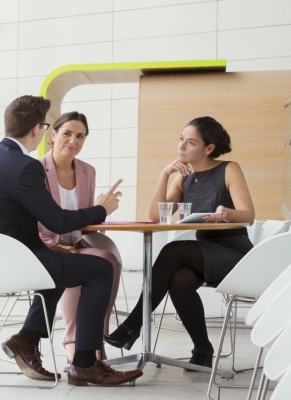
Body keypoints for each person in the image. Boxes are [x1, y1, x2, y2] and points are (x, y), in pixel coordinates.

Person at [0, 95, 141, 386]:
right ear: (39, 129)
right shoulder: (25, 166)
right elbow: (58, 220)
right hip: (6, 263)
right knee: (100, 269)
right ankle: (85, 363)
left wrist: (47, 245)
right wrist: (101, 209)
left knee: (58, 262)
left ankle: (27, 340)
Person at [105, 116, 255, 369]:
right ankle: (203, 350)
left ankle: (132, 326)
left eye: (191, 142)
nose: (182, 146)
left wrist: (227, 213)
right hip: (206, 252)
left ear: (208, 149)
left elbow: (249, 215)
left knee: (173, 250)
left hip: (234, 253)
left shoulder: (229, 169)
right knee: (180, 281)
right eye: (181, 139)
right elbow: (155, 216)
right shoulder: (183, 178)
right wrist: (165, 174)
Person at [37, 112, 123, 361]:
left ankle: (94, 338)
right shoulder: (37, 170)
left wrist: (100, 208)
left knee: (108, 259)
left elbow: (85, 220)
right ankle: (73, 339)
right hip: (45, 243)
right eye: (67, 134)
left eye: (80, 136)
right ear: (53, 135)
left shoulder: (87, 171)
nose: (73, 140)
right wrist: (54, 244)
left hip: (75, 240)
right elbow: (30, 218)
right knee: (81, 265)